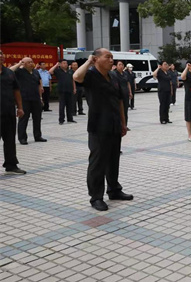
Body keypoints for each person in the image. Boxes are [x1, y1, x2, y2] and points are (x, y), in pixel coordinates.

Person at [73, 48, 133, 211]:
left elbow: (119, 100)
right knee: (98, 163)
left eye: (112, 57)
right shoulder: (91, 75)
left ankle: (114, 190)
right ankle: (96, 197)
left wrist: (123, 123)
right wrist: (88, 62)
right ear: (96, 59)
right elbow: (76, 77)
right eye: (107, 57)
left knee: (113, 160)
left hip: (114, 124)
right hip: (98, 126)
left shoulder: (113, 76)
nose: (111, 60)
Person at [10, 57, 46, 145]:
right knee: (23, 119)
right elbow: (9, 71)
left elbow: (39, 85)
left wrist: (40, 98)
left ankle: (37, 136)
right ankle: (22, 138)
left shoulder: (36, 72)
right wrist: (19, 64)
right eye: (28, 62)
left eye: (31, 62)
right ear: (24, 64)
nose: (31, 63)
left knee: (37, 118)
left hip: (36, 99)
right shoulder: (19, 72)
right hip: (24, 99)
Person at [1, 50, 26, 174]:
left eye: (1, 53)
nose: (0, 56)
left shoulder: (9, 73)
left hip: (9, 112)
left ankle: (11, 165)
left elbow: (16, 90)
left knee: (10, 139)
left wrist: (20, 107)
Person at [50, 60, 77, 125]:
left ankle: (70, 118)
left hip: (69, 90)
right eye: (64, 63)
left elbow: (73, 80)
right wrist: (56, 65)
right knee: (62, 106)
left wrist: (74, 88)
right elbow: (50, 71)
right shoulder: (58, 71)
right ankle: (61, 120)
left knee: (70, 105)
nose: (65, 64)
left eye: (66, 63)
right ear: (60, 64)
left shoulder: (70, 71)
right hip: (62, 90)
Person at [112, 61, 132, 130]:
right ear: (116, 66)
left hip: (125, 94)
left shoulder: (125, 74)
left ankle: (125, 125)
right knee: (118, 111)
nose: (121, 66)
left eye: (122, 64)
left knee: (125, 110)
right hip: (118, 95)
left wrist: (130, 92)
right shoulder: (114, 74)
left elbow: (128, 83)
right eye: (119, 64)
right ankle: (118, 125)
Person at [181, 62, 191, 141]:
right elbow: (182, 77)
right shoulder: (187, 74)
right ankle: (189, 134)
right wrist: (187, 68)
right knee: (189, 118)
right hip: (189, 98)